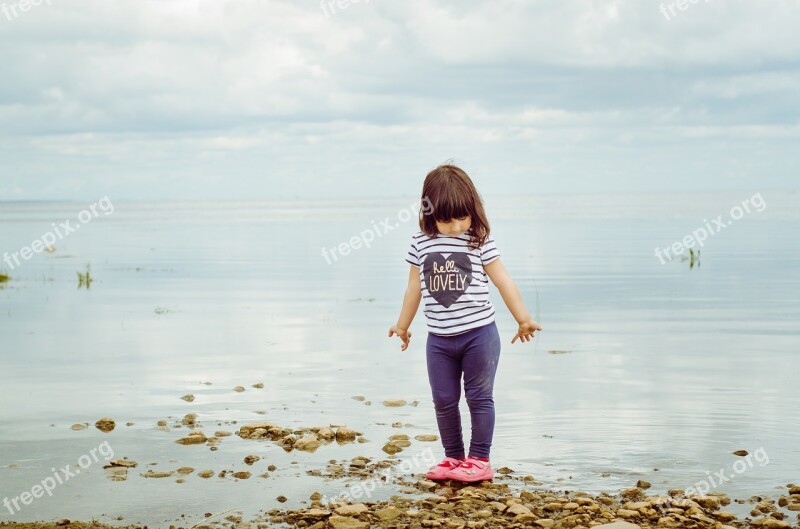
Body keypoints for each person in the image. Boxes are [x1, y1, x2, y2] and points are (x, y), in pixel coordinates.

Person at [388, 164, 542, 483]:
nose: (456, 226)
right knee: (444, 399)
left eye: (463, 217)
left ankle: (480, 459)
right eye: (447, 219)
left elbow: (502, 281)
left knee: (478, 397)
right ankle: (453, 457)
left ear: (473, 211)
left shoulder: (478, 240)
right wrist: (403, 325)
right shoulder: (421, 243)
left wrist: (523, 318)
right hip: (439, 341)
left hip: (479, 336)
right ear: (430, 214)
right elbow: (413, 288)